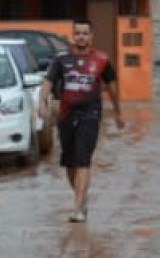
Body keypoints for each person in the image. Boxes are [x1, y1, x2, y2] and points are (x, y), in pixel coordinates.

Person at [39, 18, 124, 223]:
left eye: (85, 33)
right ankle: (81, 199)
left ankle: (78, 208)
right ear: (73, 35)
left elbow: (112, 86)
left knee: (83, 159)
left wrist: (118, 112)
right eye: (77, 33)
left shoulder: (102, 60)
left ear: (91, 36)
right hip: (65, 115)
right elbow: (48, 82)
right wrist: (41, 102)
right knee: (70, 163)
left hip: (90, 114)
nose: (81, 37)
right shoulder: (61, 59)